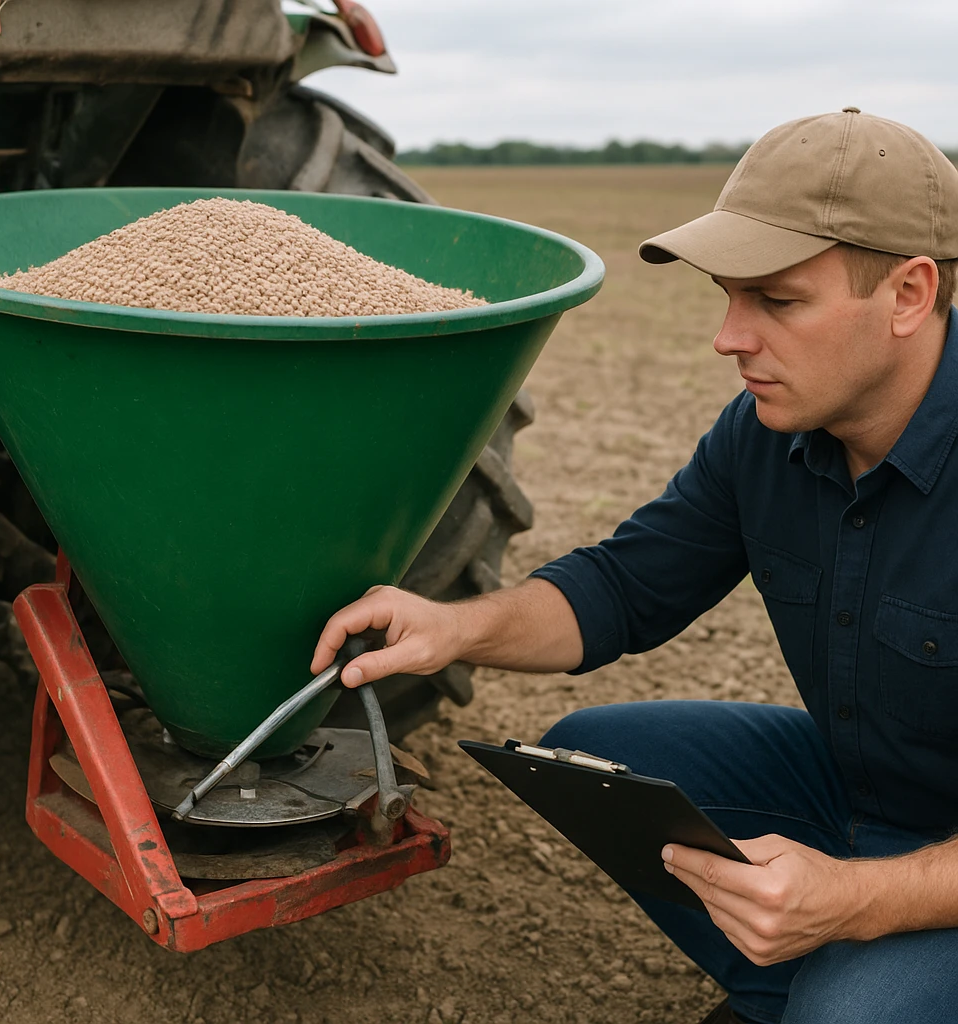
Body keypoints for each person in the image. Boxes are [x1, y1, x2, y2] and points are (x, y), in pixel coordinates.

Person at [311, 108, 958, 1024]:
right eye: (727, 296)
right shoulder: (767, 436)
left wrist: (853, 900)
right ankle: (802, 985)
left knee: (857, 1014)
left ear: (908, 293)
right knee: (597, 762)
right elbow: (621, 588)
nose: (730, 338)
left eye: (777, 301)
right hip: (866, 789)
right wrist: (457, 626)